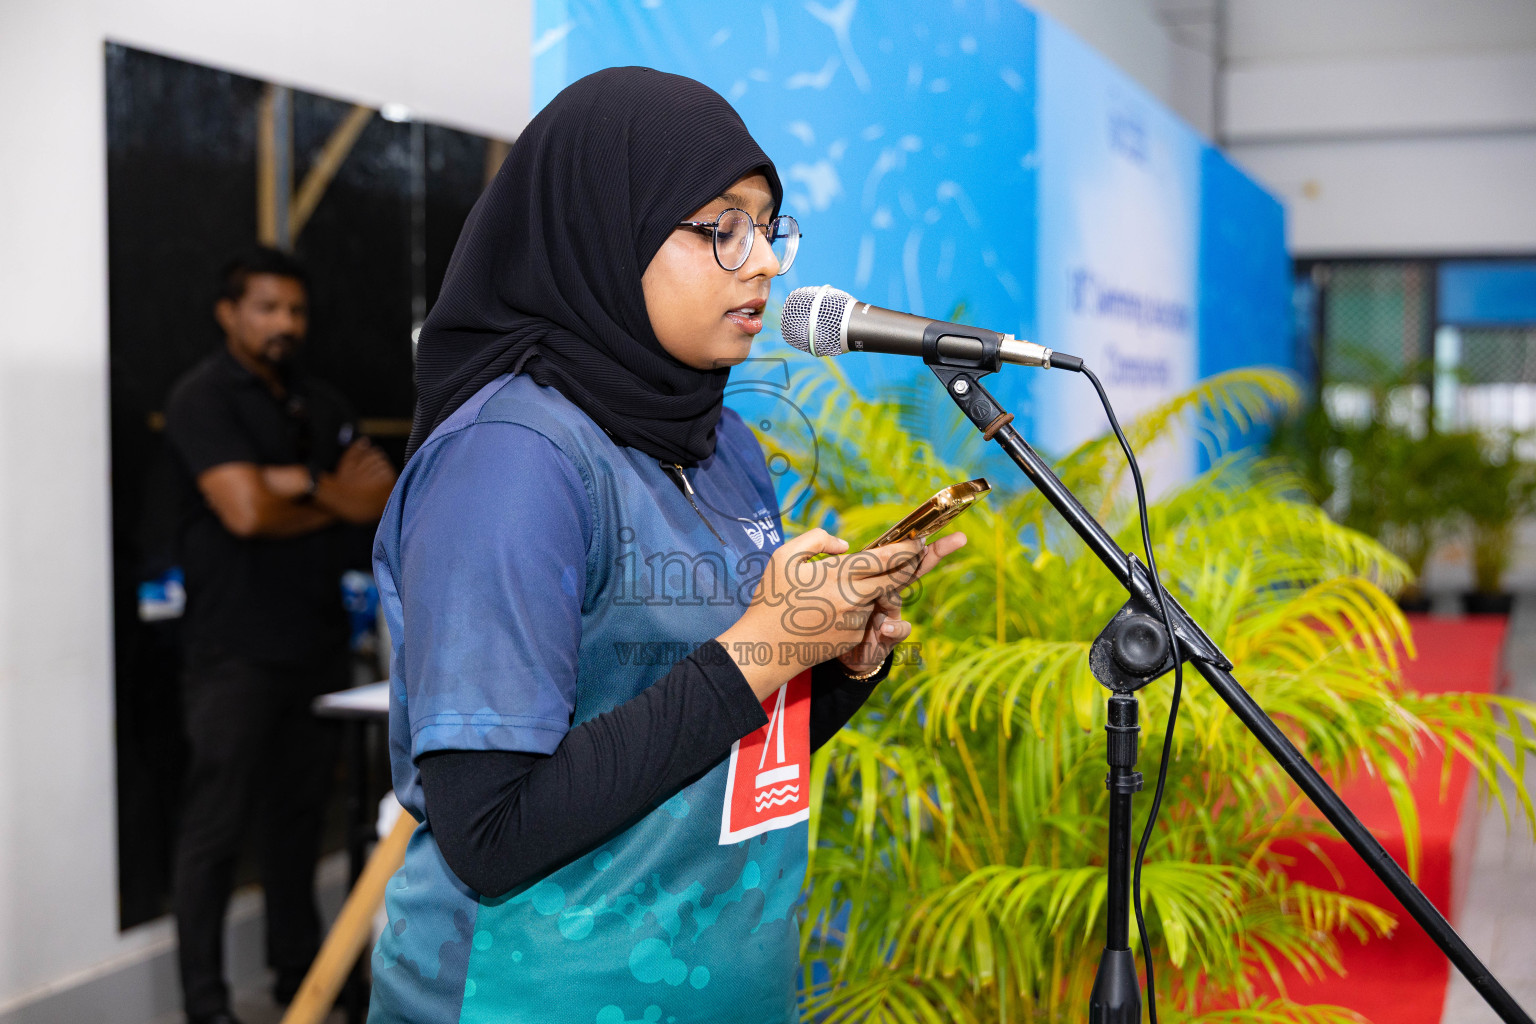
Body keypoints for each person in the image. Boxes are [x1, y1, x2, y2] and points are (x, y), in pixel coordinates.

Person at [367, 67, 966, 1024]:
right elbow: (493, 831)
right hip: (537, 993)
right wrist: (769, 645)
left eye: (768, 224)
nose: (764, 260)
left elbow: (706, 753)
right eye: (721, 225)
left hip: (717, 979)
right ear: (605, 226)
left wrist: (833, 660)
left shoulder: (720, 441)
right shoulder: (510, 462)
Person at [162, 247, 397, 1024]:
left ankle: (304, 977)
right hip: (233, 651)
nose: (284, 324)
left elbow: (379, 500)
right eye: (266, 308)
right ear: (230, 312)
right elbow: (244, 513)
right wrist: (328, 495)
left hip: (317, 645)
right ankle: (206, 1004)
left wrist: (297, 487)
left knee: (299, 826)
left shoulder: (318, 400)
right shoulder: (204, 398)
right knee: (216, 831)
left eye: (295, 310)